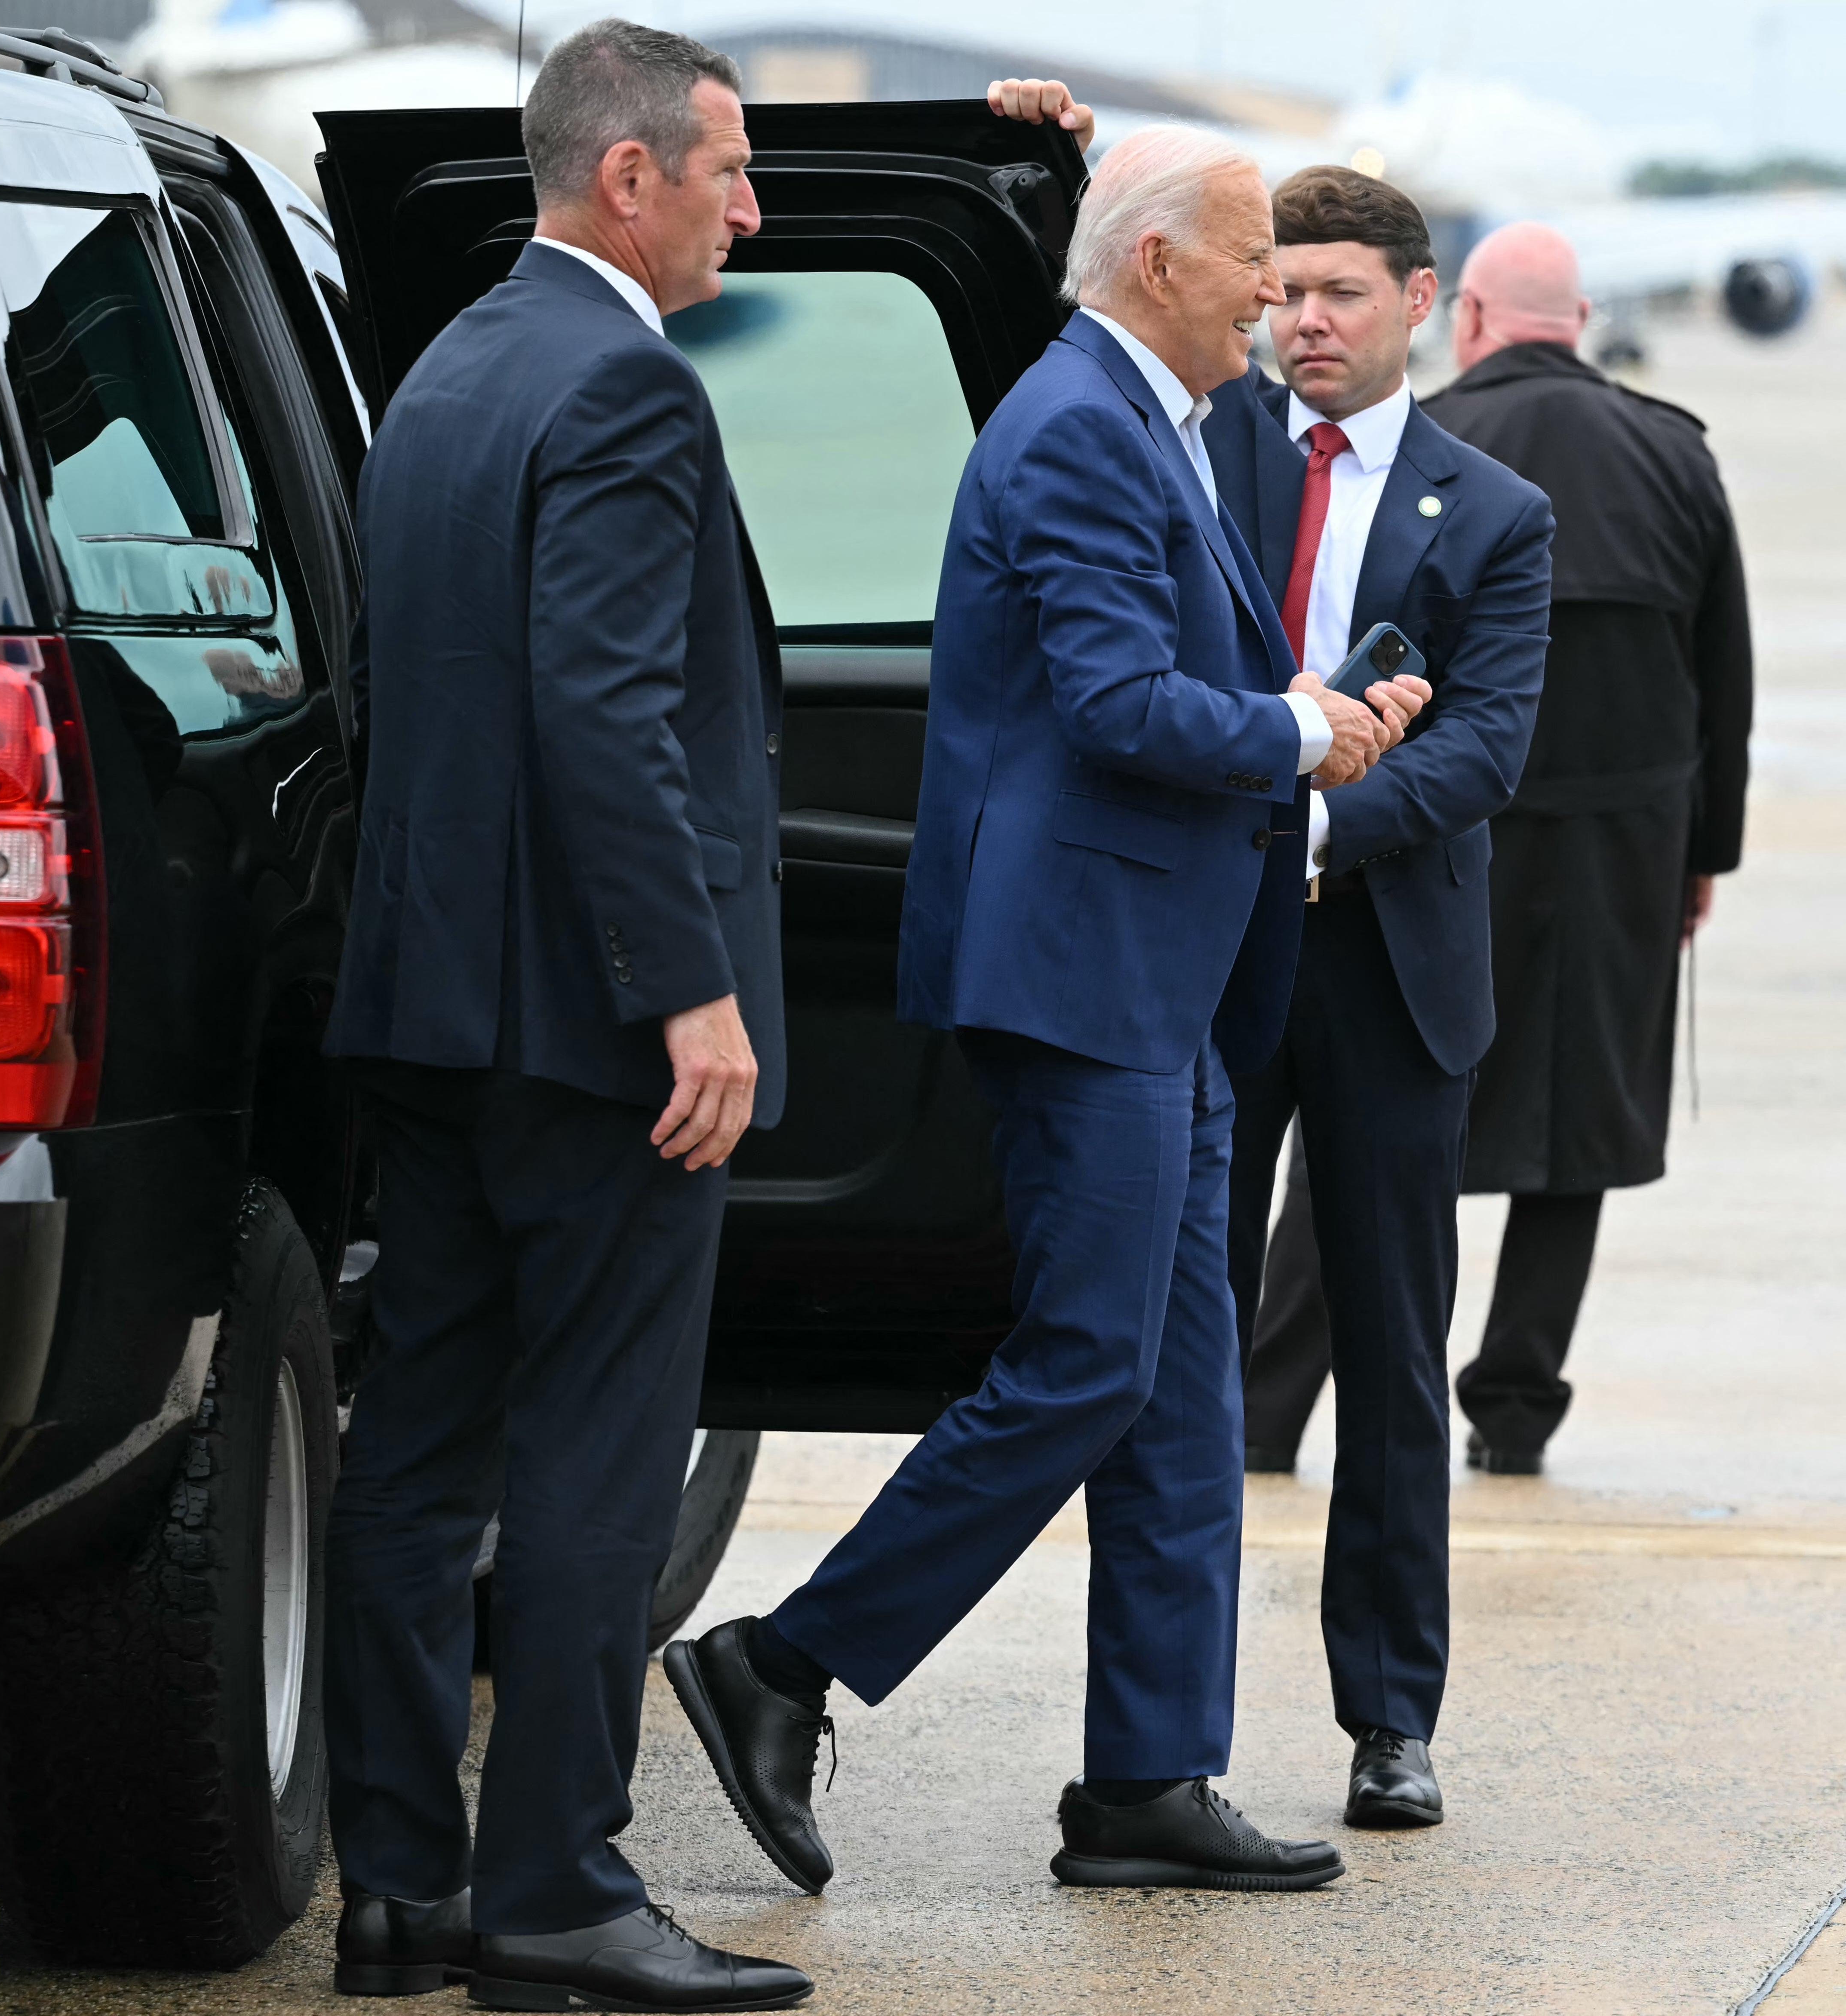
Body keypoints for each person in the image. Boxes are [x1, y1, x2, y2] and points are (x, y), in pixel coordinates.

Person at [663, 121, 1426, 1898]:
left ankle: (1146, 1776)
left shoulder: (1134, 408)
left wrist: (1300, 714)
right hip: (1087, 980)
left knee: (1172, 1388)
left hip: (1156, 975)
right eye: (1252, 257)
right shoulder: (1078, 427)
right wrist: (1301, 732)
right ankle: (779, 1661)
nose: (1272, 290)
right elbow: (1112, 703)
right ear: (1161, 267)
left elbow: (1161, 678)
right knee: (1087, 1359)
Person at [318, 23, 809, 2012]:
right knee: (603, 1447)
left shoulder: (447, 366)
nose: (749, 209)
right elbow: (606, 714)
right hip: (591, 1030)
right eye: (728, 173)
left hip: (432, 1010)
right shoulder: (620, 383)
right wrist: (688, 988)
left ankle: (398, 1888)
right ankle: (559, 1889)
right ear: (628, 179)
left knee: (418, 1451)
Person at [1194, 165, 1552, 1830]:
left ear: (1423, 303)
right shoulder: (1206, 445)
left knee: (1396, 1353)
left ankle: (1390, 1716)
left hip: (1384, 954)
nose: (1303, 320)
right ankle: (1160, 1725)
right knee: (1177, 1327)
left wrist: (1315, 816)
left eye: (1338, 291)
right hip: (1210, 944)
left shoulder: (1492, 512)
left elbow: (1483, 747)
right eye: (1284, 290)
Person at [1417, 222, 1755, 1477]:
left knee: (1394, 1113)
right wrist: (1704, 855)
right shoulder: (1677, 451)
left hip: (1450, 829)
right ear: (1584, 316)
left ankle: (1276, 1401)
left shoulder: (1432, 440)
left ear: (1472, 318)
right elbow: (1725, 676)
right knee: (1580, 1128)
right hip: (1632, 834)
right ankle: (1514, 1407)